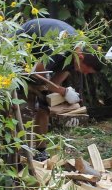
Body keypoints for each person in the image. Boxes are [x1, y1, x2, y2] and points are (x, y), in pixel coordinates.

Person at [18, 17, 102, 145]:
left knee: (44, 105)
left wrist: (64, 91)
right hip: (19, 53)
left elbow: (54, 83)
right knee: (24, 107)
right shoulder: (59, 49)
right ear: (80, 57)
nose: (84, 74)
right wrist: (63, 91)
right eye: (86, 70)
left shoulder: (77, 52)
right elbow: (37, 74)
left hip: (37, 65)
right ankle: (20, 151)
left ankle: (40, 151)